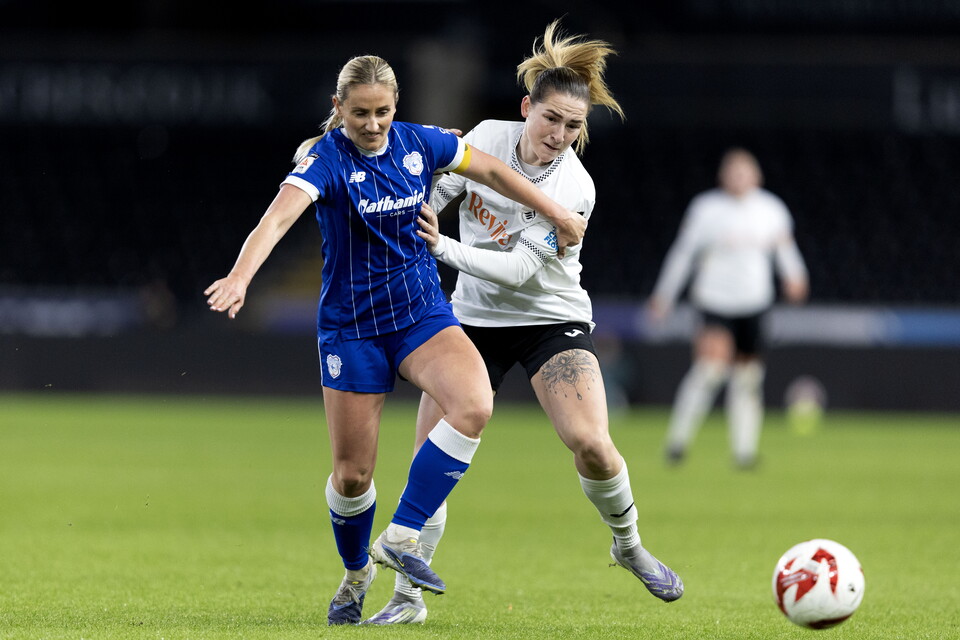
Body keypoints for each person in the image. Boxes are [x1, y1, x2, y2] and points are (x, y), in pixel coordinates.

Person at [203, 54, 587, 626]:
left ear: (396, 107)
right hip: (352, 328)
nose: (374, 124)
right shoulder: (323, 161)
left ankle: (402, 536)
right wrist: (240, 276)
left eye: (383, 111)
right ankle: (357, 571)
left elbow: (494, 172)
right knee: (353, 475)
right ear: (339, 109)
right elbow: (275, 221)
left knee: (475, 404)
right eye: (361, 113)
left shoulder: (419, 143)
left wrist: (554, 209)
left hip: (420, 314)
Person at [362, 21, 683, 626]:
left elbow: (517, 272)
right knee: (429, 454)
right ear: (525, 108)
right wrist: (415, 196)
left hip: (550, 320)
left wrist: (442, 250)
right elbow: (437, 191)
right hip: (471, 321)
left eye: (573, 126)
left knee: (591, 443)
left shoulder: (576, 188)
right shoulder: (488, 137)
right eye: (551, 119)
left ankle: (628, 543)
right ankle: (406, 601)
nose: (559, 135)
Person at [647, 148, 809, 469]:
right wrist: (663, 296)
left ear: (756, 176)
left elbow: (785, 250)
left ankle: (744, 452)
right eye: (733, 172)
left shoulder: (771, 209)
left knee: (748, 379)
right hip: (715, 302)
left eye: (745, 172)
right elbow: (683, 254)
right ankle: (677, 443)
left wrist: (796, 277)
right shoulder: (706, 209)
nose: (739, 178)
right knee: (709, 372)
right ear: (723, 176)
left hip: (754, 304)